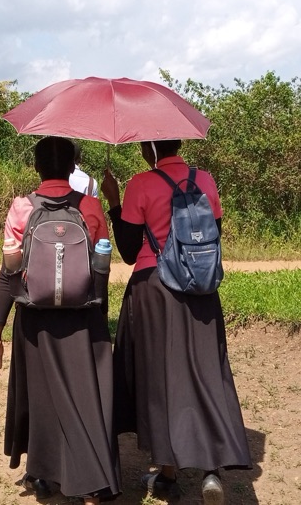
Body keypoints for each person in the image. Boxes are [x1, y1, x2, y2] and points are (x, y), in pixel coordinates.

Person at [100, 140, 251, 505]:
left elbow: (129, 250)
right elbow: (215, 232)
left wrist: (114, 200)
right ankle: (211, 469)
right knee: (207, 371)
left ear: (149, 149)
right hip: (202, 289)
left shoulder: (141, 183)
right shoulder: (206, 180)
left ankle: (168, 471)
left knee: (160, 377)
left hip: (156, 289)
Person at [0, 136, 120, 504]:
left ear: (36, 167)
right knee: (87, 399)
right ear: (73, 167)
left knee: (42, 398)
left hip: (34, 320)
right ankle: (93, 483)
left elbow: (8, 275)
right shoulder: (91, 207)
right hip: (84, 320)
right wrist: (99, 322)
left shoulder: (20, 209)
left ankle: (44, 472)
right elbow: (102, 270)